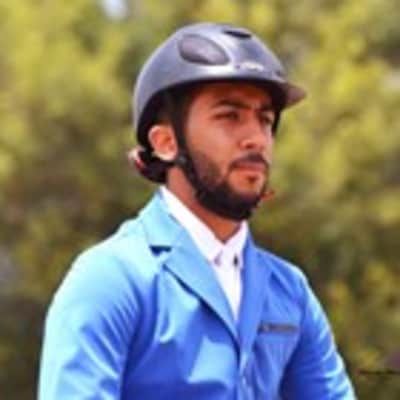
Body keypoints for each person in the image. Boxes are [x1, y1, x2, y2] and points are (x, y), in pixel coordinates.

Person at [38, 22, 356, 399]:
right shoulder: (110, 279)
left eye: (265, 119)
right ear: (166, 142)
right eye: (229, 116)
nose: (256, 138)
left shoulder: (290, 290)